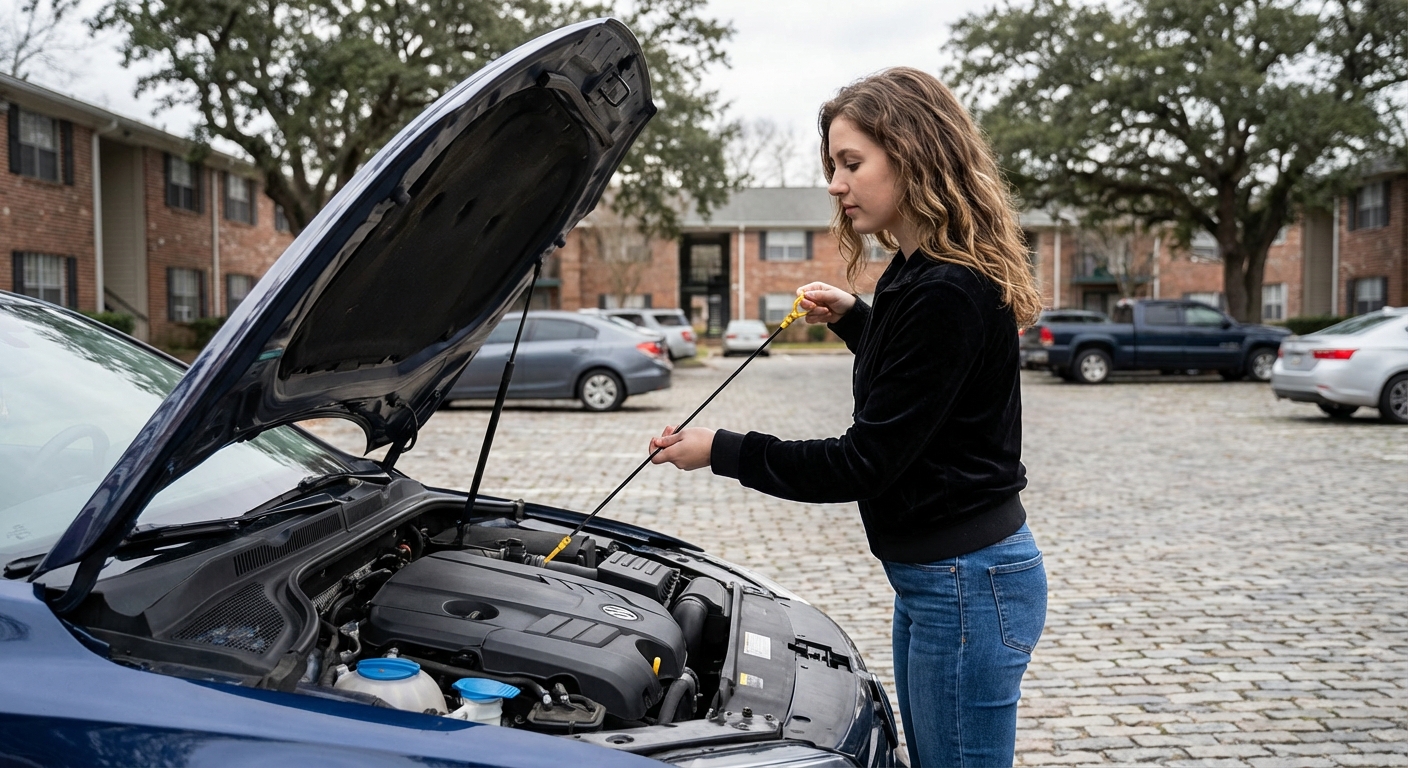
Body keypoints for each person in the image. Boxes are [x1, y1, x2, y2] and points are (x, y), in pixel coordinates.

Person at [648, 67, 1047, 767]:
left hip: (965, 584)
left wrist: (721, 449)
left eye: (851, 163)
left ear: (915, 153)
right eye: (833, 164)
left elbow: (863, 460)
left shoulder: (946, 286)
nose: (835, 183)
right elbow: (925, 390)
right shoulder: (918, 271)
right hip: (941, 578)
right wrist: (858, 319)